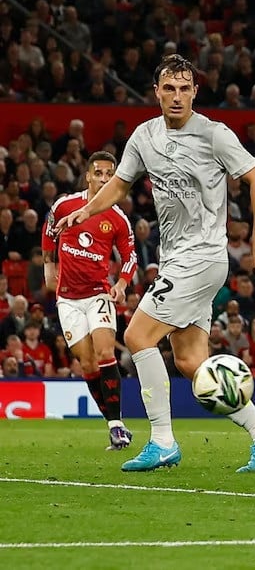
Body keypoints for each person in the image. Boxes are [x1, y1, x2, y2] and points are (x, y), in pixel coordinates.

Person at [56, 55, 255, 473]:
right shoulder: (144, 136)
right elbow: (121, 184)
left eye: (185, 88)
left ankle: (162, 441)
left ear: (195, 92)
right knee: (189, 362)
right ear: (157, 92)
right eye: (170, 88)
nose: (177, 96)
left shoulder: (215, 135)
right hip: (175, 261)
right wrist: (87, 211)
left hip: (201, 258)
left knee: (138, 335)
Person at [42, 151, 136, 450]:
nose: (105, 179)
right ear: (88, 175)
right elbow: (49, 230)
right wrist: (48, 265)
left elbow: (129, 255)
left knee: (105, 351)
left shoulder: (118, 217)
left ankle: (117, 425)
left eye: (110, 174)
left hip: (98, 293)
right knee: (87, 363)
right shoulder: (65, 205)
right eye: (99, 173)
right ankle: (112, 423)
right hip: (67, 299)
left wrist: (122, 283)